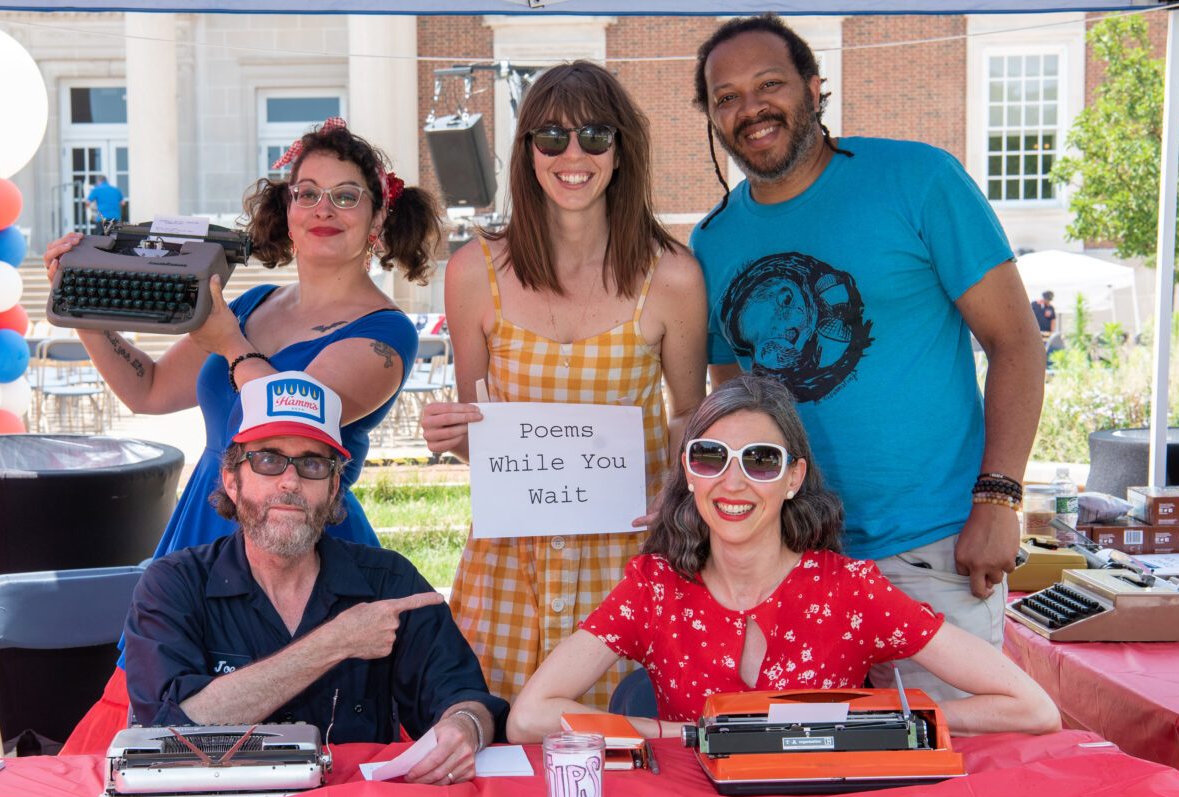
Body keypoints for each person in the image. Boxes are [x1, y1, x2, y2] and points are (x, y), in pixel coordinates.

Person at [51, 118, 442, 753]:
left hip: (298, 534)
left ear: (377, 221)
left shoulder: (387, 333)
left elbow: (292, 418)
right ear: (284, 212)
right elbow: (147, 391)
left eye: (346, 195)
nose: (323, 209)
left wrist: (225, 339)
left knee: (289, 717)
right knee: (168, 727)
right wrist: (82, 305)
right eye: (306, 192)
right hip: (204, 531)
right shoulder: (256, 302)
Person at [688, 15, 1046, 702]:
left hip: (933, 553)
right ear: (712, 117)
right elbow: (731, 400)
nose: (750, 108)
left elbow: (1015, 341)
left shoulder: (919, 179)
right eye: (726, 96)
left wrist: (999, 497)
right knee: (812, 788)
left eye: (770, 84)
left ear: (815, 89)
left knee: (949, 785)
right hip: (791, 567)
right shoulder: (713, 241)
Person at [507, 374, 1060, 742]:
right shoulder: (655, 587)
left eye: (761, 461)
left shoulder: (850, 590)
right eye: (710, 457)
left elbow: (1033, 708)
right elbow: (530, 716)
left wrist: (874, 723)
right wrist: (686, 735)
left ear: (794, 477)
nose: (733, 482)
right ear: (689, 472)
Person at [419, 61, 709, 708]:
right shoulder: (474, 273)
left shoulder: (674, 278)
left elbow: (690, 415)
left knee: (633, 756)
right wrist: (451, 434)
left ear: (621, 149)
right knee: (500, 751)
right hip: (510, 566)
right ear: (527, 152)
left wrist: (680, 494)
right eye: (550, 137)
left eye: (594, 137)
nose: (572, 155)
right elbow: (483, 433)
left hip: (629, 560)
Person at [125, 371, 506, 784]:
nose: (291, 481)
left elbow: (464, 696)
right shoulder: (174, 585)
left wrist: (465, 728)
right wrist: (336, 641)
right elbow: (167, 733)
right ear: (232, 481)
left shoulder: (388, 580)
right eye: (268, 459)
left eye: (312, 463)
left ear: (333, 486)